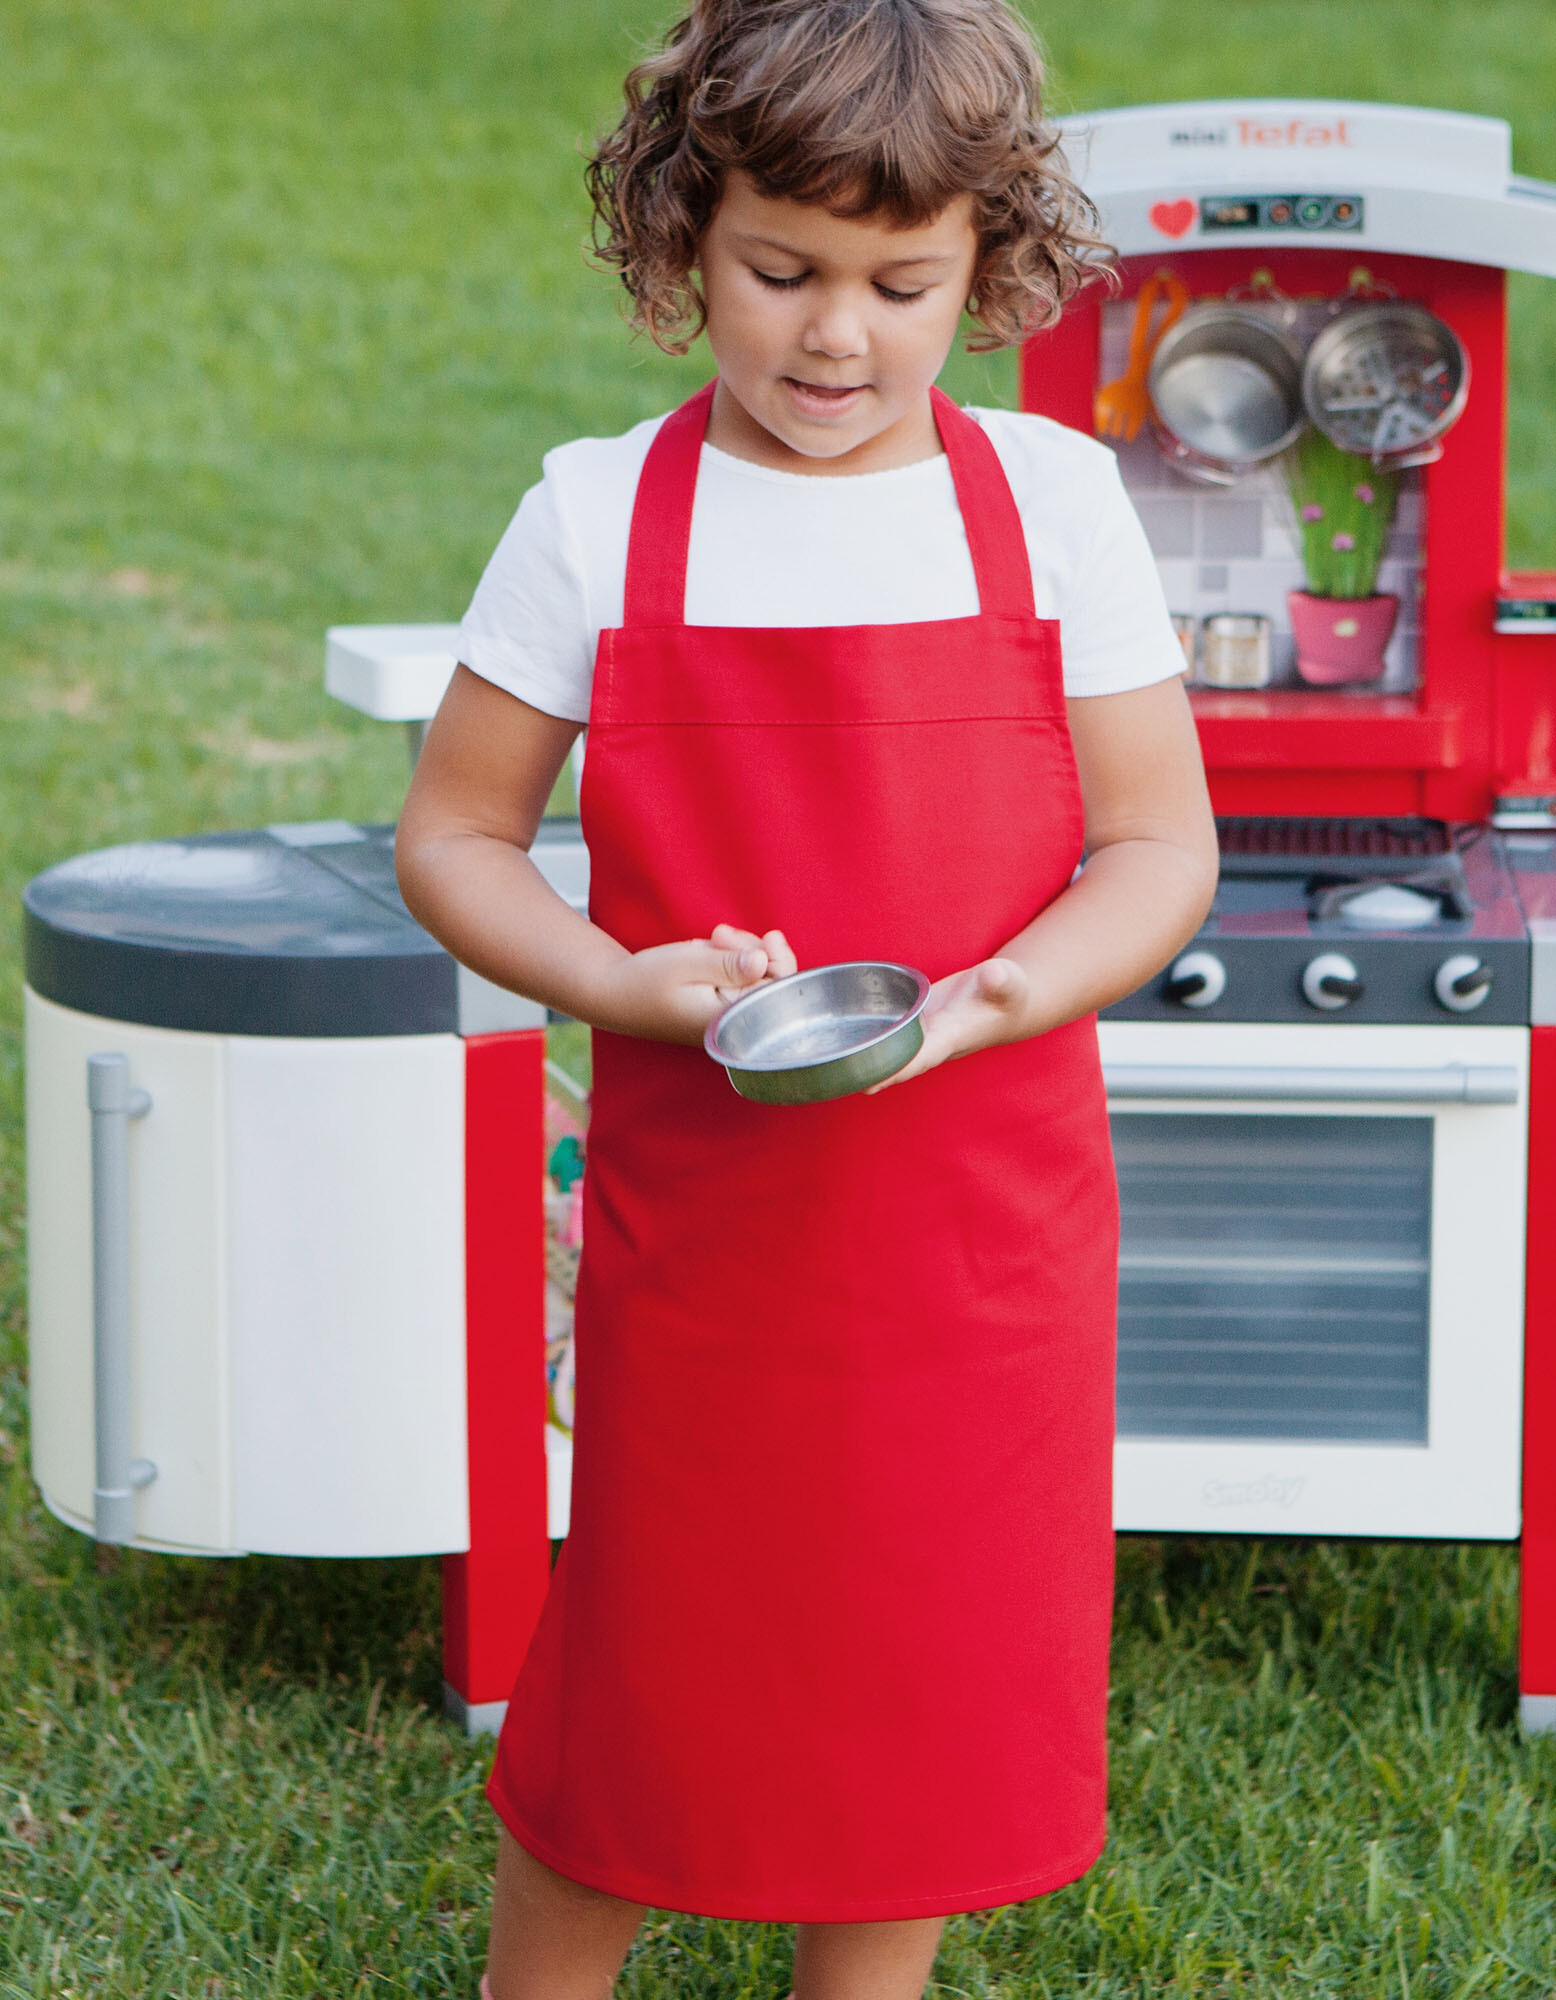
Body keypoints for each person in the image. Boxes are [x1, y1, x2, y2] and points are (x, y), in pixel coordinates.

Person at [395, 0, 1218, 1993]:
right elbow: (454, 837)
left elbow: (1154, 851)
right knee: (643, 1668)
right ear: (685, 237)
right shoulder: (601, 515)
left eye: (897, 283)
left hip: (979, 1225)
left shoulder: (1045, 503)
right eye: (780, 273)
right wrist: (622, 982)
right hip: (713, 1227)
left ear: (984, 271)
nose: (834, 335)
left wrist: (1001, 996)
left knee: (914, 1671)